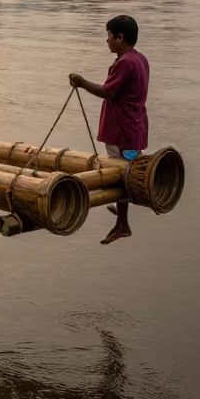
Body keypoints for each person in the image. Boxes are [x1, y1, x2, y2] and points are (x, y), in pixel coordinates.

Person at [69, 14, 149, 246]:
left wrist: (82, 82)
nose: (107, 41)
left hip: (122, 130)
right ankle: (124, 210)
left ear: (120, 37)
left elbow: (109, 92)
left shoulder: (125, 62)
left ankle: (123, 223)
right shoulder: (139, 59)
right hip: (135, 127)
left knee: (120, 170)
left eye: (109, 35)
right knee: (128, 167)